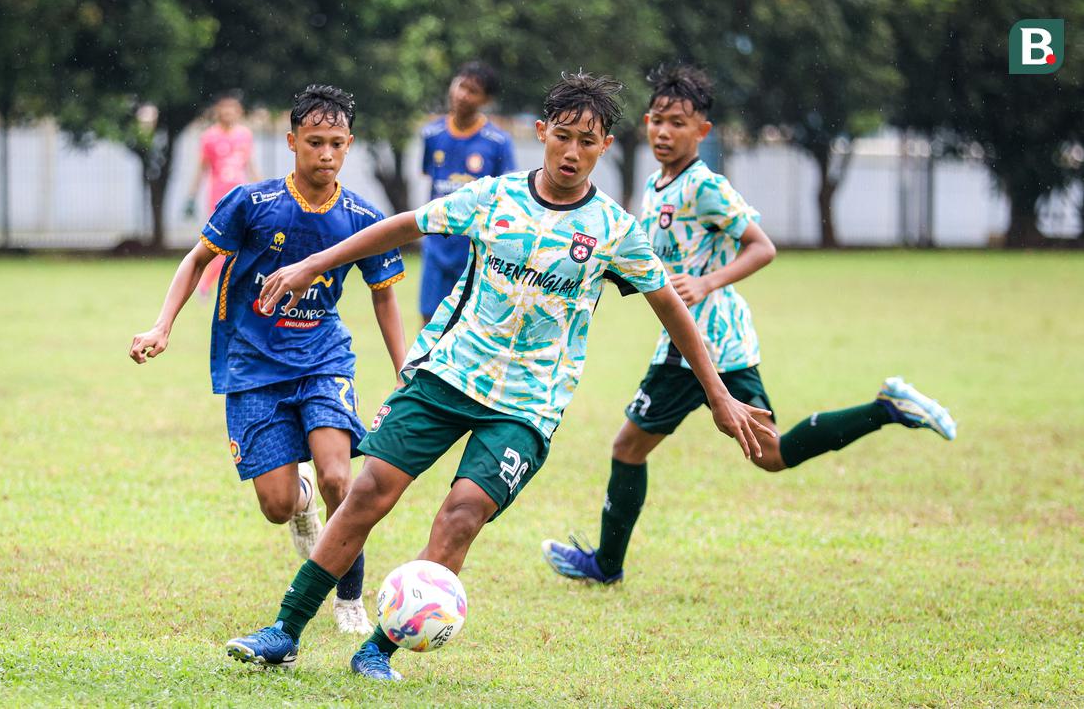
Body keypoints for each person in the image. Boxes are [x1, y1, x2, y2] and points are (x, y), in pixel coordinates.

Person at [224, 72, 775, 682]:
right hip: (447, 376)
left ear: (606, 148)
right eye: (561, 137)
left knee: (462, 514)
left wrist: (719, 396)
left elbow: (671, 305)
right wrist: (313, 263)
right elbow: (404, 225)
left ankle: (378, 648)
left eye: (586, 143)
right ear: (541, 134)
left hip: (526, 407)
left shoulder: (615, 230)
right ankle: (285, 630)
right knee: (368, 492)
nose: (571, 152)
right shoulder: (494, 197)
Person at [540, 65, 958, 585]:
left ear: (703, 132)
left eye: (680, 123)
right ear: (646, 123)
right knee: (772, 454)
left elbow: (762, 247)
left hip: (699, 342)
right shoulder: (655, 184)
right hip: (720, 342)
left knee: (629, 446)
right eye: (659, 121)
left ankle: (606, 564)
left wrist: (708, 282)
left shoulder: (704, 186)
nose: (666, 132)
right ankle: (885, 408)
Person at [129, 85, 408, 635]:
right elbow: (195, 260)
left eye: (336, 143)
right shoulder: (251, 204)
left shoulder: (362, 218)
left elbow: (384, 296)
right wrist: (163, 325)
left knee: (337, 475)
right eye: (314, 142)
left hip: (323, 358)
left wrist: (405, 372)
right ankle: (299, 501)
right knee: (277, 505)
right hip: (252, 365)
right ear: (291, 142)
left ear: (349, 145)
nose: (325, 154)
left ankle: (349, 597)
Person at [419, 61, 515, 324]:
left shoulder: (498, 143)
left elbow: (504, 196)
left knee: (468, 320)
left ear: (486, 99)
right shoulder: (432, 134)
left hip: (474, 247)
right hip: (437, 244)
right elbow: (431, 179)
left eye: (473, 90)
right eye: (461, 85)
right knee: (429, 317)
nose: (463, 95)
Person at [184, 93, 261, 298]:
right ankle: (205, 284)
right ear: (218, 111)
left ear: (239, 112)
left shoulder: (245, 134)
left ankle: (223, 286)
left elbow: (250, 164)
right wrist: (192, 196)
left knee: (244, 242)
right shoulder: (209, 136)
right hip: (219, 196)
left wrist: (262, 188)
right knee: (220, 242)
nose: (228, 112)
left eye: (232, 108)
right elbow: (202, 168)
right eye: (224, 108)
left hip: (243, 196)